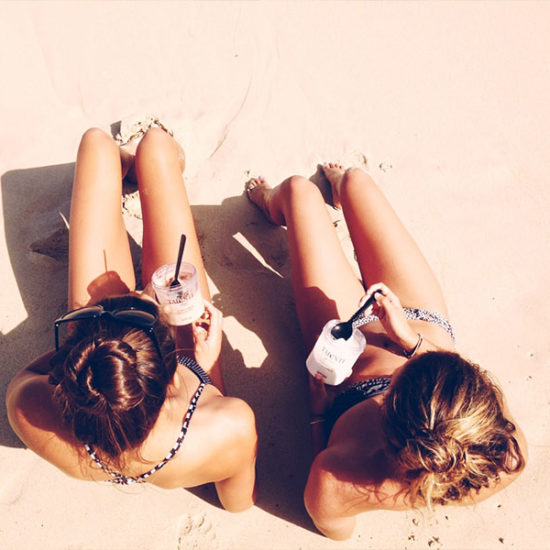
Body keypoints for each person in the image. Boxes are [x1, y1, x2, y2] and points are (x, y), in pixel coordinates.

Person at [245, 163, 527, 539]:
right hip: (421, 318)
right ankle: (341, 189)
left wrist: (319, 414)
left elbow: (336, 529)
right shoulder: (507, 453)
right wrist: (410, 339)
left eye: (397, 376)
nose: (399, 359)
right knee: (356, 180)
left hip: (349, 336)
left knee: (299, 191)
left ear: (385, 409)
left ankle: (270, 204)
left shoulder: (343, 479)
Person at [6, 127, 257, 512]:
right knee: (156, 145)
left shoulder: (30, 411)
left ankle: (128, 160)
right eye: (142, 304)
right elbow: (237, 503)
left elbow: (29, 377)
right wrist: (200, 369)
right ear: (171, 375)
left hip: (134, 378)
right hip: (189, 408)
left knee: (96, 144)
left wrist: (88, 344)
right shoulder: (229, 427)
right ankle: (154, 158)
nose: (141, 293)